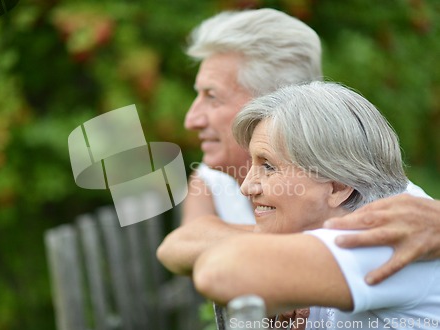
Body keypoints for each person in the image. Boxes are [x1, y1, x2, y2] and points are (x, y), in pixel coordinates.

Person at [178, 7, 435, 284]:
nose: (191, 119)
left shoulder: (393, 223)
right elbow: (178, 245)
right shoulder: (213, 174)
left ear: (276, 99)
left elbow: (212, 271)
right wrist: (288, 251)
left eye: (212, 96)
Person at [186, 81, 440, 330]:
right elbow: (181, 244)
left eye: (268, 166)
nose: (247, 186)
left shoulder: (386, 238)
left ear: (338, 186)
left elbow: (218, 272)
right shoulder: (330, 225)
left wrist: (276, 274)